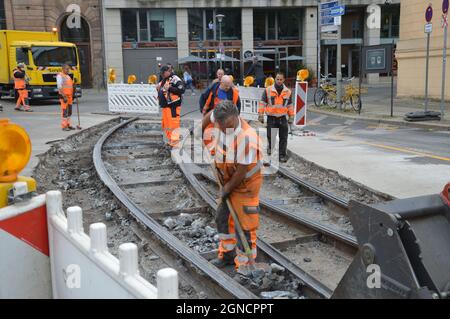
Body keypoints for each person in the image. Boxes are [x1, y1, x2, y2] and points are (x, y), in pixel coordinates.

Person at [202, 100, 263, 272]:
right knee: (222, 217)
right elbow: (206, 122)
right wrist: (202, 129)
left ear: (236, 117)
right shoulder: (220, 121)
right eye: (221, 127)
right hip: (228, 180)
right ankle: (228, 255)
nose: (224, 130)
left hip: (245, 186)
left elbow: (241, 172)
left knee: (244, 226)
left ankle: (245, 266)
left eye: (228, 126)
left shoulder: (248, 139)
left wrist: (226, 190)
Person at [258, 72, 294, 163]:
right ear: (275, 79)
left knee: (283, 138)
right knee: (271, 137)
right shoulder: (268, 90)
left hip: (282, 118)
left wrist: (291, 116)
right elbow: (262, 103)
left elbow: (289, 105)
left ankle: (282, 155)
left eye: (281, 79)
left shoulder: (288, 92)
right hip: (272, 118)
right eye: (277, 79)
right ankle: (271, 151)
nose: (279, 81)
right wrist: (261, 114)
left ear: (283, 80)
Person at [202, 75, 241, 154]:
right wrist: (204, 110)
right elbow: (206, 100)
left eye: (229, 86)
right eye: (226, 86)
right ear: (221, 83)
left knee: (227, 135)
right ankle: (212, 151)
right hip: (216, 115)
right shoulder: (214, 90)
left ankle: (226, 151)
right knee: (210, 133)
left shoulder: (234, 93)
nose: (228, 87)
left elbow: (238, 105)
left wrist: (236, 116)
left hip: (228, 117)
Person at [157, 65, 185, 148]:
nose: (161, 75)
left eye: (163, 73)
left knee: (173, 124)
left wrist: (170, 88)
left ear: (168, 71)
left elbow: (181, 89)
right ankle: (171, 140)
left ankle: (175, 141)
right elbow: (162, 89)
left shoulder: (175, 79)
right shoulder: (164, 79)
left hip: (173, 106)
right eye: (161, 74)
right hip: (165, 106)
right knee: (166, 124)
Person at [57, 64, 75, 131]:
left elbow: (70, 86)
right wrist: (63, 96)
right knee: (65, 111)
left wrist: (74, 84)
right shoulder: (60, 76)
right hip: (64, 96)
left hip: (70, 96)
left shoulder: (68, 76)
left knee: (69, 111)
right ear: (63, 69)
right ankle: (64, 126)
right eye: (67, 69)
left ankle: (68, 124)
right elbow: (59, 86)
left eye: (68, 69)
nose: (68, 70)